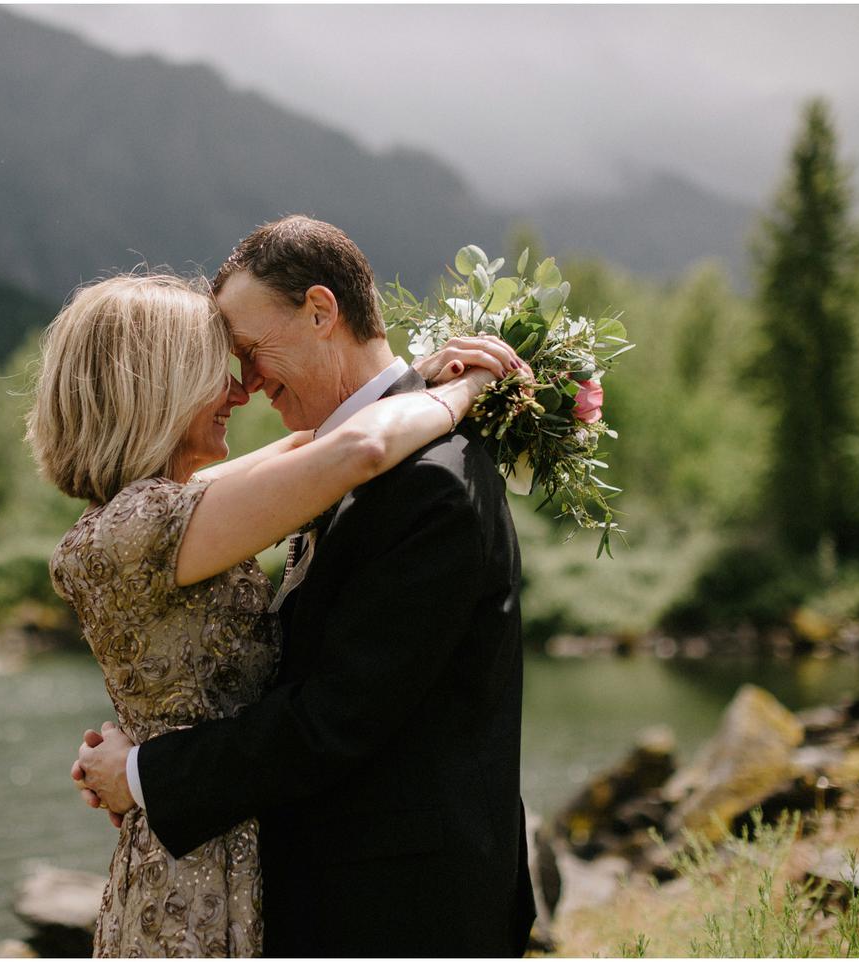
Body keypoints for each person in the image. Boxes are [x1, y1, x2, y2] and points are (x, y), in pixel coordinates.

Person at [70, 216, 537, 956]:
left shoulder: (432, 484)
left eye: (251, 352)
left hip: (403, 915)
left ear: (322, 311)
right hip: (332, 896)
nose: (246, 385)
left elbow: (332, 719)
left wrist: (146, 770)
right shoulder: (336, 468)